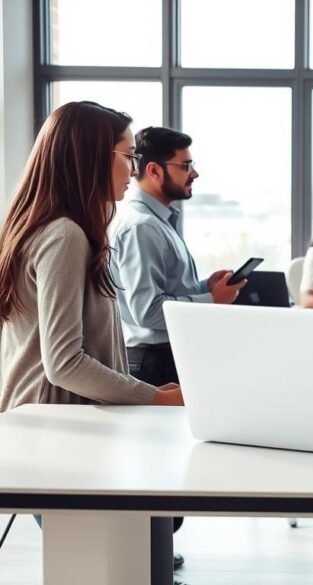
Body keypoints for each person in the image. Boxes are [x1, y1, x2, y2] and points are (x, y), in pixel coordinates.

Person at [0, 101, 184, 585]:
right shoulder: (65, 236)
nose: (131, 169)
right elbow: (63, 363)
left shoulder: (52, 228)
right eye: (126, 155)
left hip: (55, 433)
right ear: (91, 157)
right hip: (59, 438)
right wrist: (156, 397)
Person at [110, 126, 245, 388]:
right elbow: (147, 310)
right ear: (154, 170)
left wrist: (204, 286)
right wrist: (212, 300)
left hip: (163, 356)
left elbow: (165, 290)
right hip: (154, 361)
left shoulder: (158, 222)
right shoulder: (142, 226)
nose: (194, 173)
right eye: (185, 165)